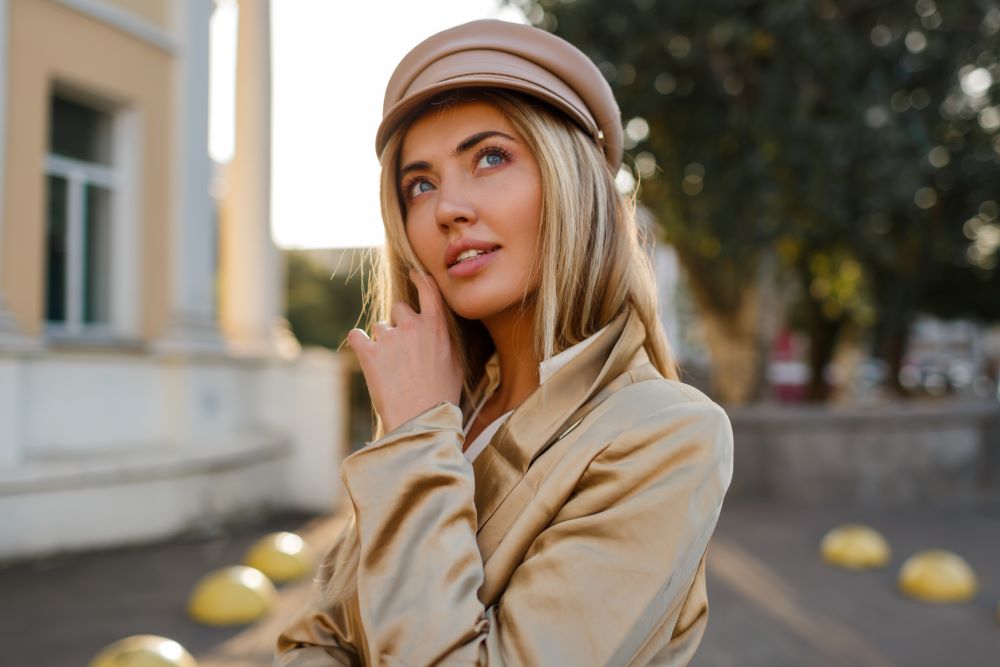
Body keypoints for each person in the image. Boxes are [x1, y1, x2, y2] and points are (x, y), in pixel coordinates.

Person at [276, 19, 733, 667]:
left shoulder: (665, 433)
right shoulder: (441, 413)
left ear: (569, 180)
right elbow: (313, 638)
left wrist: (412, 444)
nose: (447, 208)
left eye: (490, 157)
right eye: (420, 183)